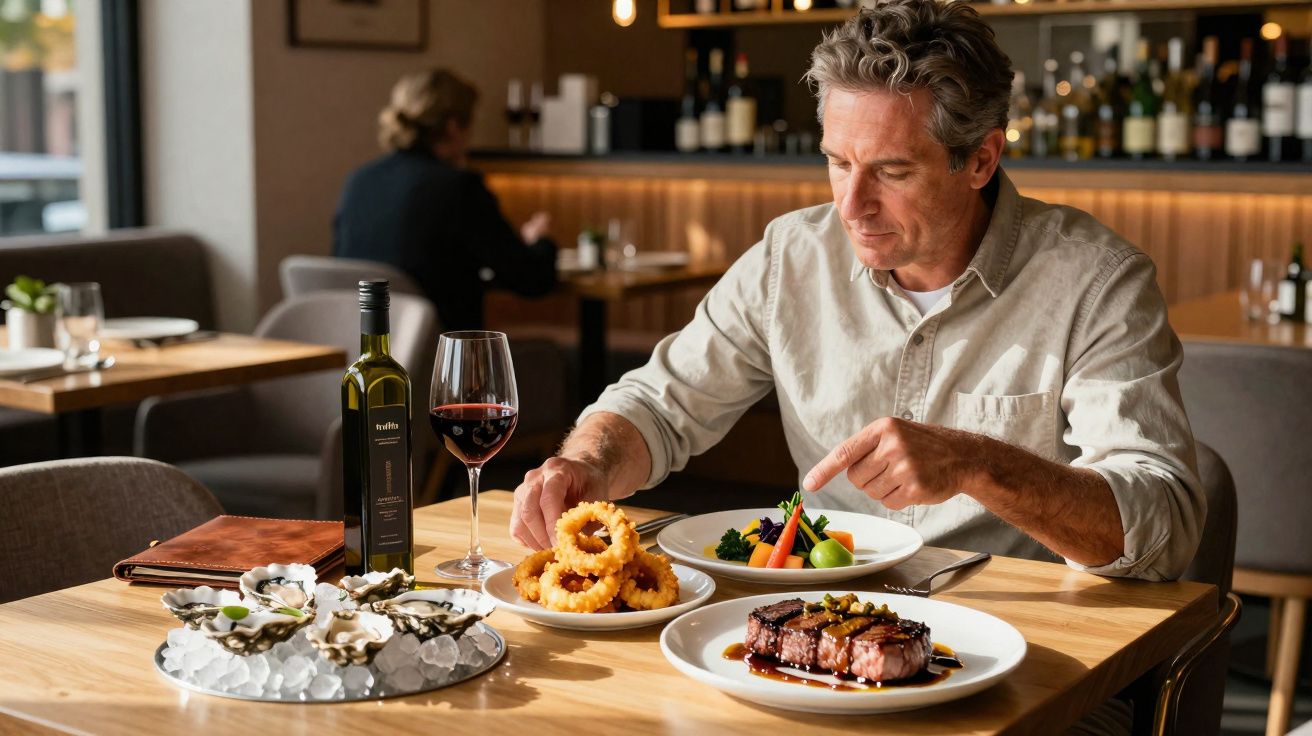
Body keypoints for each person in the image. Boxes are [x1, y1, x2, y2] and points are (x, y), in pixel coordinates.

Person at [334, 69, 557, 331]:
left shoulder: (359, 182)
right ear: (454, 127)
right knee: (552, 357)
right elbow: (530, 280)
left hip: (362, 353)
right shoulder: (459, 187)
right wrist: (540, 240)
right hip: (444, 361)